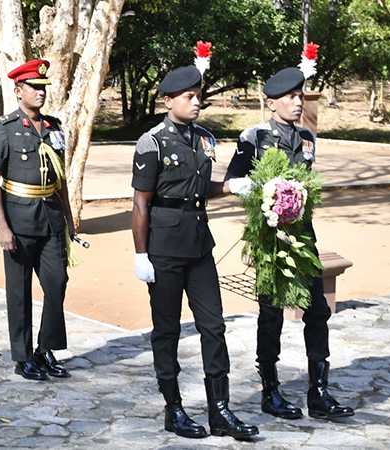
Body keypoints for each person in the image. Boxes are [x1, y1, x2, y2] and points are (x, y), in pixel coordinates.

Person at [131, 64, 257, 440]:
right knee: (167, 330)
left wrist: (231, 187)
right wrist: (141, 254)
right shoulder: (151, 142)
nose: (197, 102)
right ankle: (174, 409)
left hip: (200, 244)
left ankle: (220, 411)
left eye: (199, 96)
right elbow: (141, 203)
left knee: (213, 326)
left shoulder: (204, 138)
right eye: (189, 96)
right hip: (165, 248)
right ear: (168, 101)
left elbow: (200, 189)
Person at [224, 67, 355, 421]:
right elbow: (233, 180)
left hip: (303, 238)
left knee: (318, 311)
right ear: (271, 103)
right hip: (270, 241)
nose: (298, 102)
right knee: (271, 315)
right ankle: (270, 391)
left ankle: (319, 393)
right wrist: (260, 195)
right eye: (291, 97)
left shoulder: (308, 139)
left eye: (300, 96)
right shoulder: (254, 137)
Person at [0, 59, 75, 381]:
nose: (40, 93)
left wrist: (69, 219)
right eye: (34, 87)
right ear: (18, 91)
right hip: (18, 220)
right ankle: (23, 358)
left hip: (51, 219)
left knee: (57, 283)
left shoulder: (54, 127)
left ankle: (44, 349)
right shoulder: (5, 128)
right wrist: (3, 226)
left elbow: (60, 178)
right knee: (19, 291)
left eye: (43, 87)